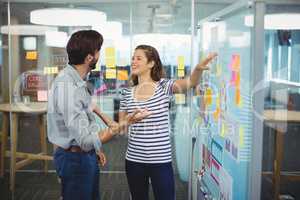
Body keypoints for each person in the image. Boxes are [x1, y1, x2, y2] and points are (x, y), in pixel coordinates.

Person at [47, 30, 149, 200]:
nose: (99, 54)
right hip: (74, 159)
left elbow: (86, 116)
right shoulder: (68, 87)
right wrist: (124, 124)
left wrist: (95, 149)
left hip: (84, 155)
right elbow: (85, 140)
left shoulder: (77, 80)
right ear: (89, 58)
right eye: (98, 50)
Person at [119, 44, 217, 200]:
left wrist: (198, 68)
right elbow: (121, 127)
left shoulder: (164, 86)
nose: (133, 61)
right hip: (134, 160)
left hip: (160, 160)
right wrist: (131, 120)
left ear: (151, 63)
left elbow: (191, 82)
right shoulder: (127, 92)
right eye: (133, 58)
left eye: (138, 58)